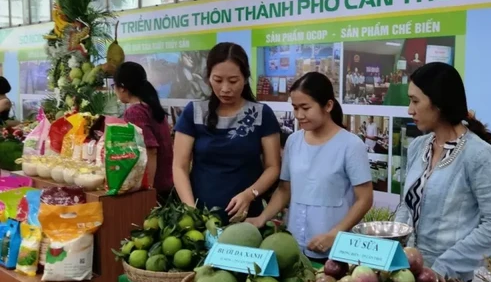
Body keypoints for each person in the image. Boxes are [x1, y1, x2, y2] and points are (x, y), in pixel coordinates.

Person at [394, 62, 491, 282]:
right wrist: (393, 254)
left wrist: (444, 266)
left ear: (438, 102)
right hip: (412, 277)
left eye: (415, 101)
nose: (409, 110)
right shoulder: (419, 147)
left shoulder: (479, 156)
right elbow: (406, 206)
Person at [247, 73, 373, 259]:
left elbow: (365, 199)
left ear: (328, 106)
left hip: (336, 251)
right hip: (295, 246)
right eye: (295, 108)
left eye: (305, 108)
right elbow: (284, 190)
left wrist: (334, 234)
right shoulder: (293, 141)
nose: (299, 115)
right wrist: (262, 218)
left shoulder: (351, 145)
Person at [173, 42, 281, 223]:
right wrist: (191, 210)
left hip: (247, 220)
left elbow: (273, 167)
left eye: (233, 81)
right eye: (217, 80)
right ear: (208, 78)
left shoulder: (262, 115)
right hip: (200, 218)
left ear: (245, 78)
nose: (225, 88)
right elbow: (179, 166)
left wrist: (250, 194)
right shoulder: (194, 112)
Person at [113, 62, 174, 199]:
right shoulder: (151, 106)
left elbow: (150, 150)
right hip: (168, 180)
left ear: (122, 88)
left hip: (156, 186)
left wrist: (149, 190)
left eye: (114, 86)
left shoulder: (135, 112)